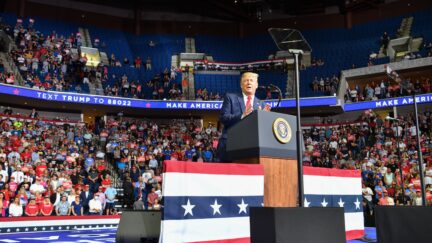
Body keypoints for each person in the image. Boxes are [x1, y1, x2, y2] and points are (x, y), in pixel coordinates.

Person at [217, 72, 270, 162]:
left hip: (252, 148)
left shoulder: (262, 104)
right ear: (241, 85)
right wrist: (242, 115)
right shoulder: (230, 97)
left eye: (251, 80)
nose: (249, 82)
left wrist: (263, 119)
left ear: (256, 85)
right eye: (246, 80)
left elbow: (263, 130)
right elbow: (223, 118)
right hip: (230, 145)